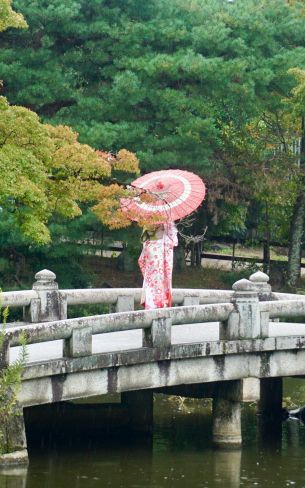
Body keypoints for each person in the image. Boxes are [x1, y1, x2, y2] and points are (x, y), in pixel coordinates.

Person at [138, 222, 178, 309]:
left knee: (157, 275)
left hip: (160, 250)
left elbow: (174, 241)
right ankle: (157, 302)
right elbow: (174, 241)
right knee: (155, 275)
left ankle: (157, 302)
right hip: (156, 249)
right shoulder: (166, 219)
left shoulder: (152, 218)